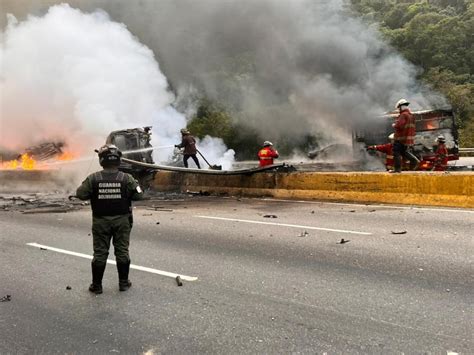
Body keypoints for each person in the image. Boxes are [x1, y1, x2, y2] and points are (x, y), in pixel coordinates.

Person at [76, 144, 143, 294]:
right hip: (122, 221)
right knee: (122, 252)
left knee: (100, 253)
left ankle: (97, 286)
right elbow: (139, 195)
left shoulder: (94, 178)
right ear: (118, 160)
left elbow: (80, 194)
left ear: (101, 160)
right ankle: (124, 283)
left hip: (101, 222)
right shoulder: (127, 178)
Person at [392, 98, 419, 173]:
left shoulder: (403, 115)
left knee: (396, 151)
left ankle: (397, 169)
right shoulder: (411, 115)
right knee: (404, 152)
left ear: (401, 107)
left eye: (399, 108)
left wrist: (394, 125)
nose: (398, 110)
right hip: (407, 139)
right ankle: (414, 160)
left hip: (400, 138)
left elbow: (399, 125)